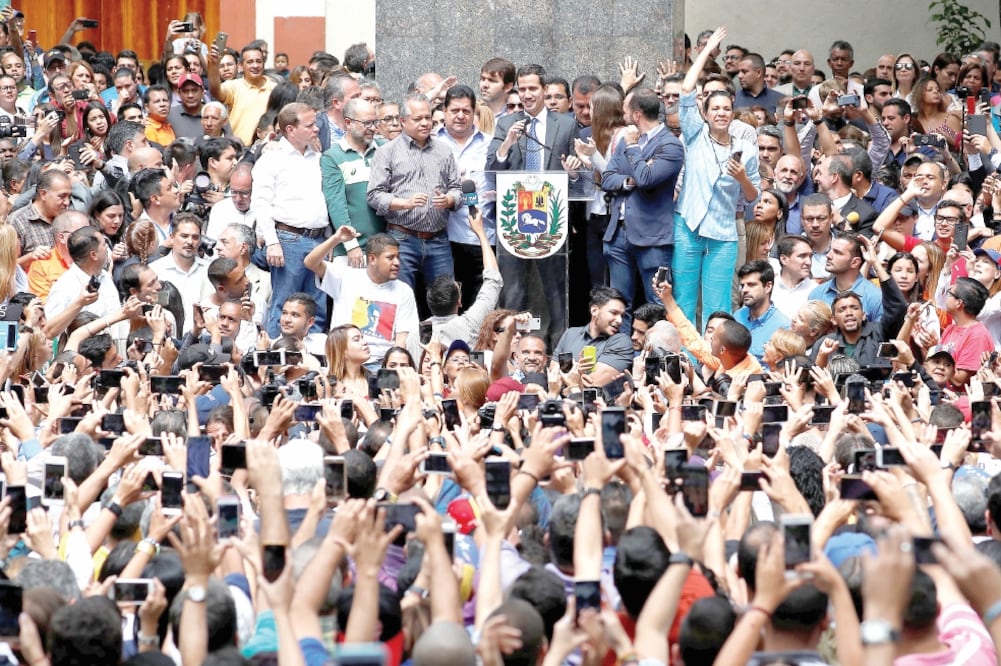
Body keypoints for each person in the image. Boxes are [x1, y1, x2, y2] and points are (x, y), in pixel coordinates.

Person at [486, 63, 583, 348]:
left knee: (554, 290)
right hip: (513, 220)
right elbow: (491, 167)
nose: (527, 95)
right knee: (513, 290)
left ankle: (557, 347)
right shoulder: (506, 123)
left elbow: (577, 174)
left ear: (544, 90)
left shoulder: (565, 123)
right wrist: (507, 144)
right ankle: (509, 347)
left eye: (533, 89)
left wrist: (575, 168)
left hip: (551, 219)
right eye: (522, 89)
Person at [674, 27, 760, 326]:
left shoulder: (746, 148)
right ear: (706, 113)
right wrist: (707, 50)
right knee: (684, 300)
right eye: (715, 109)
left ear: (733, 112)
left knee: (718, 304)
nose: (721, 113)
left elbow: (753, 197)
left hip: (724, 235)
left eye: (726, 108)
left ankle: (715, 364)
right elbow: (686, 89)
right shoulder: (695, 134)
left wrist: (743, 179)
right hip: (688, 226)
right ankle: (685, 362)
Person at [600, 87, 683, 331]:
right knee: (617, 304)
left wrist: (634, 150)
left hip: (653, 238)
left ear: (637, 114)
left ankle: (655, 359)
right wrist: (628, 180)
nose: (622, 113)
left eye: (626, 108)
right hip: (618, 234)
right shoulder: (625, 140)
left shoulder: (670, 145)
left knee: (656, 303)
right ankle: (619, 355)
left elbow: (646, 178)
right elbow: (607, 178)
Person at [367, 94, 461, 292]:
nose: (425, 123)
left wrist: (449, 199)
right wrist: (404, 203)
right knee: (400, 297)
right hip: (402, 239)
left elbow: (457, 188)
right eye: (418, 119)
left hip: (438, 239)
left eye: (428, 117)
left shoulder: (444, 150)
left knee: (445, 297)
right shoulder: (387, 152)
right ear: (402, 121)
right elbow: (374, 194)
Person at [252, 102, 330, 337]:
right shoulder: (272, 159)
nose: (316, 129)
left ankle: (312, 359)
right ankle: (276, 360)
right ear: (290, 130)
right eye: (309, 125)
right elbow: (261, 202)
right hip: (288, 240)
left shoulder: (318, 158)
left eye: (315, 123)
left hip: (319, 240)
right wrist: (272, 241)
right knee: (284, 306)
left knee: (317, 306)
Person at [305, 228, 418, 365]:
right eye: (390, 258)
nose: (397, 263)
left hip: (381, 363)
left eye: (398, 257)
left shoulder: (404, 291)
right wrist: (336, 239)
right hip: (344, 361)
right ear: (372, 259)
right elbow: (310, 262)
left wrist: (392, 371)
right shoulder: (346, 277)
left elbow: (402, 339)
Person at [321, 98, 386, 268]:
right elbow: (336, 205)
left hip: (384, 247)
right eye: (367, 123)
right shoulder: (332, 157)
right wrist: (351, 245)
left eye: (375, 122)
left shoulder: (384, 149)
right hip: (351, 252)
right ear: (348, 123)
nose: (373, 128)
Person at [656, 277, 763, 379]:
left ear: (722, 349)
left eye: (715, 337)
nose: (710, 339)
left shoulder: (748, 378)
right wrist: (667, 298)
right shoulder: (726, 359)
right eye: (710, 331)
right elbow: (692, 338)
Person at [552, 286, 632, 386]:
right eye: (614, 313)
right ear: (594, 310)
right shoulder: (570, 334)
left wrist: (572, 374)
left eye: (622, 316)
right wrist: (578, 373)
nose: (619, 320)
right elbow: (552, 377)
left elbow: (592, 385)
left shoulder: (622, 342)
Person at [149, 213, 209, 335]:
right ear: (172, 237)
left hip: (202, 342)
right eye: (184, 236)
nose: (190, 241)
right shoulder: (155, 271)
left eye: (195, 237)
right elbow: (155, 308)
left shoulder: (208, 271)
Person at [207, 42, 275, 145]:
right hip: (239, 150)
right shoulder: (233, 86)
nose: (255, 65)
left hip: (268, 148)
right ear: (241, 66)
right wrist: (214, 65)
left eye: (258, 61)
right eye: (250, 62)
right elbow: (216, 92)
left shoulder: (274, 88)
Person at [809, 232, 884, 322]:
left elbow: (880, 334)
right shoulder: (817, 293)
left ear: (855, 262)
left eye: (837, 252)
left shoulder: (875, 297)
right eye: (830, 250)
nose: (828, 256)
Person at [734, 260, 791, 363]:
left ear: (768, 287)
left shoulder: (783, 327)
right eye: (742, 285)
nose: (744, 290)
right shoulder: (737, 317)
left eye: (751, 285)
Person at [26, 209, 89, 302]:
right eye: (82, 232)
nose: (89, 237)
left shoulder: (92, 259)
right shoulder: (41, 266)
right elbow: (45, 307)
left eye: (90, 231)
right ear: (62, 237)